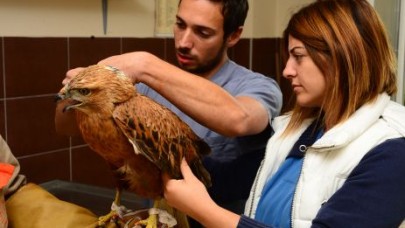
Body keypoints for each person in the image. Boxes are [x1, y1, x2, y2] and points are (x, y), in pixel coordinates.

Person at [161, 0, 405, 227]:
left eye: (298, 56)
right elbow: (226, 181)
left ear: (343, 57)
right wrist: (157, 148)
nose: (287, 71)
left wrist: (205, 211)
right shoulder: (298, 131)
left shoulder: (392, 151)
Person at [65, 0, 283, 216]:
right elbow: (65, 129)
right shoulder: (139, 85)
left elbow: (240, 119)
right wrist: (76, 94)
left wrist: (144, 64)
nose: (184, 42)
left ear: (233, 35)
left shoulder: (258, 86)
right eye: (180, 25)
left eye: (203, 33)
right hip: (157, 216)